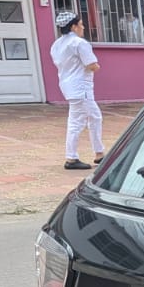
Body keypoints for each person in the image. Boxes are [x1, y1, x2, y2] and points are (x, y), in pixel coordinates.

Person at [51, 12, 103, 170]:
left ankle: (99, 152)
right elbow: (92, 65)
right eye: (80, 24)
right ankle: (72, 157)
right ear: (73, 27)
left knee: (93, 117)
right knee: (79, 122)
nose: (83, 27)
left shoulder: (57, 45)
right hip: (81, 87)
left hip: (69, 85)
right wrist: (96, 67)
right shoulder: (79, 43)